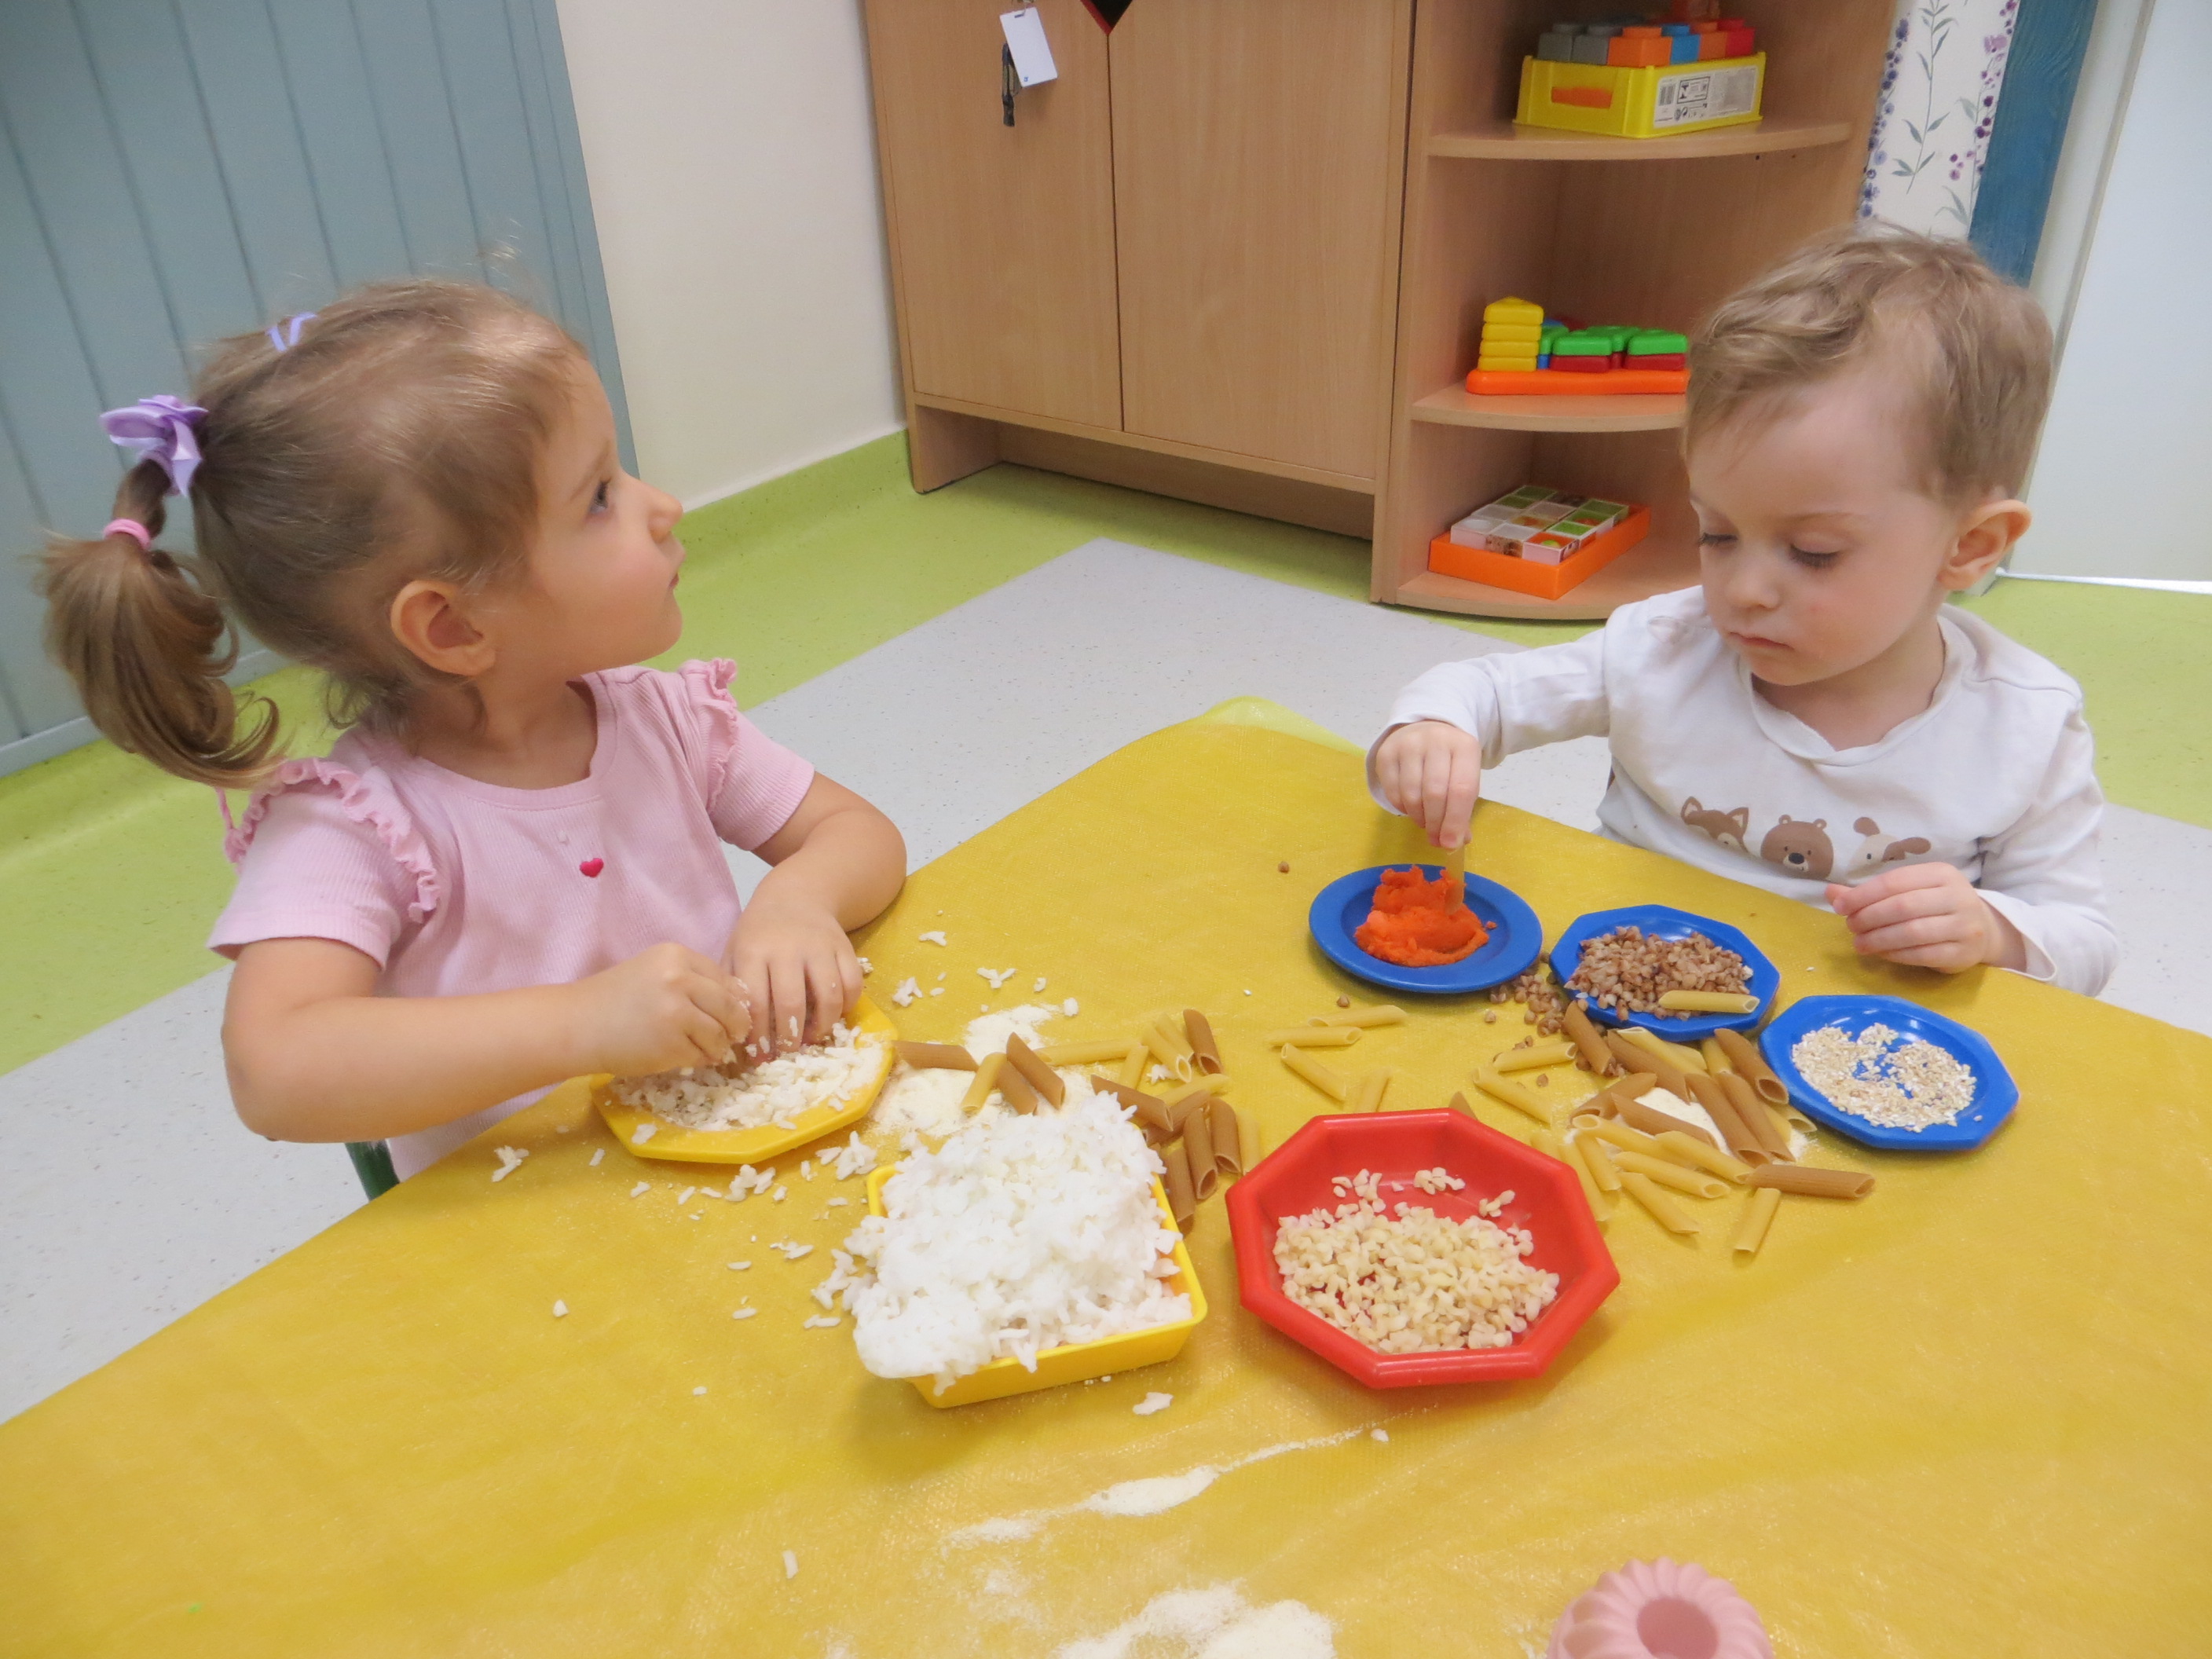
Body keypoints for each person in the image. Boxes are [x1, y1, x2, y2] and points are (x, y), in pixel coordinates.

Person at [41, 283, 906, 1178]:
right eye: (599, 497)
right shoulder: (359, 826)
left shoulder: (666, 722)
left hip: (735, 1163)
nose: (662, 506)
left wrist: (797, 904)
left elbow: (856, 832)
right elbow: (274, 1072)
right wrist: (584, 1024)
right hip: (531, 1222)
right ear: (452, 626)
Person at [1371, 226, 2115, 996]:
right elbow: (1481, 693)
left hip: (1846, 1032)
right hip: (1619, 997)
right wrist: (1433, 732)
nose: (1744, 589)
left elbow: (2084, 943)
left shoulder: (2023, 725)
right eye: (1717, 534)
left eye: (1813, 552)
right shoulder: (1667, 645)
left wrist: (1992, 931)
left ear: (1968, 546)